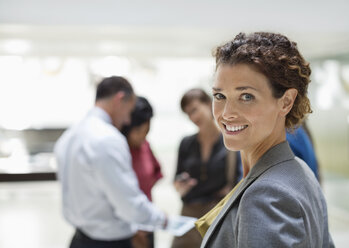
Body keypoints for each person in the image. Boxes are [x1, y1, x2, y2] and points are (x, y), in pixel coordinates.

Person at [195, 32, 335, 247]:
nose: (227, 113)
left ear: (286, 102)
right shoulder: (300, 172)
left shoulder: (266, 195)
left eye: (247, 97)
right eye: (220, 96)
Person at [54, 76, 167, 248]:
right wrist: (160, 219)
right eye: (129, 112)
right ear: (120, 99)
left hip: (79, 238)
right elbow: (129, 205)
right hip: (109, 242)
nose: (127, 121)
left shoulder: (69, 135)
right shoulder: (107, 139)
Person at [171, 88, 242, 248]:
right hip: (189, 216)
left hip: (216, 215)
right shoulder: (186, 143)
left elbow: (240, 182)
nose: (193, 117)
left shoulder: (231, 142)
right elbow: (177, 177)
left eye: (195, 110)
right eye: (188, 113)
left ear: (209, 104)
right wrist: (180, 185)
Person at [121, 96, 163, 248]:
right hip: (126, 229)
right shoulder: (119, 151)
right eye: (138, 131)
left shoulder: (145, 146)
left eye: (147, 131)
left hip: (147, 223)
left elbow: (157, 172)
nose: (142, 136)